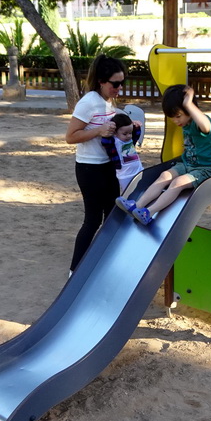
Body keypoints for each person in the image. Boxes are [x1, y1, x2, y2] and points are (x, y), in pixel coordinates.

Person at [116, 84, 211, 226]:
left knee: (177, 183)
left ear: (190, 109)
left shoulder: (202, 122)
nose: (176, 121)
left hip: (206, 169)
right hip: (187, 164)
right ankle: (137, 205)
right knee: (165, 175)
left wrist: (188, 103)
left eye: (178, 116)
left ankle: (149, 212)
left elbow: (206, 127)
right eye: (173, 118)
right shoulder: (185, 124)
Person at [65, 54, 127, 271]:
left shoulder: (107, 101)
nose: (119, 88)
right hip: (89, 168)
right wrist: (98, 131)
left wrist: (128, 123)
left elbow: (110, 123)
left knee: (112, 216)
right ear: (101, 81)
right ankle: (75, 270)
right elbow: (71, 136)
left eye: (122, 83)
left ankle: (105, 261)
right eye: (115, 84)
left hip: (108, 165)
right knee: (92, 220)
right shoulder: (89, 102)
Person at [100, 111, 144, 192]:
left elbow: (137, 134)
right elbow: (105, 142)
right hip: (125, 175)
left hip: (139, 170)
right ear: (115, 132)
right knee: (128, 194)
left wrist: (136, 126)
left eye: (130, 133)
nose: (128, 136)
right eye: (125, 134)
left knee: (142, 191)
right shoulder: (115, 142)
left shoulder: (130, 140)